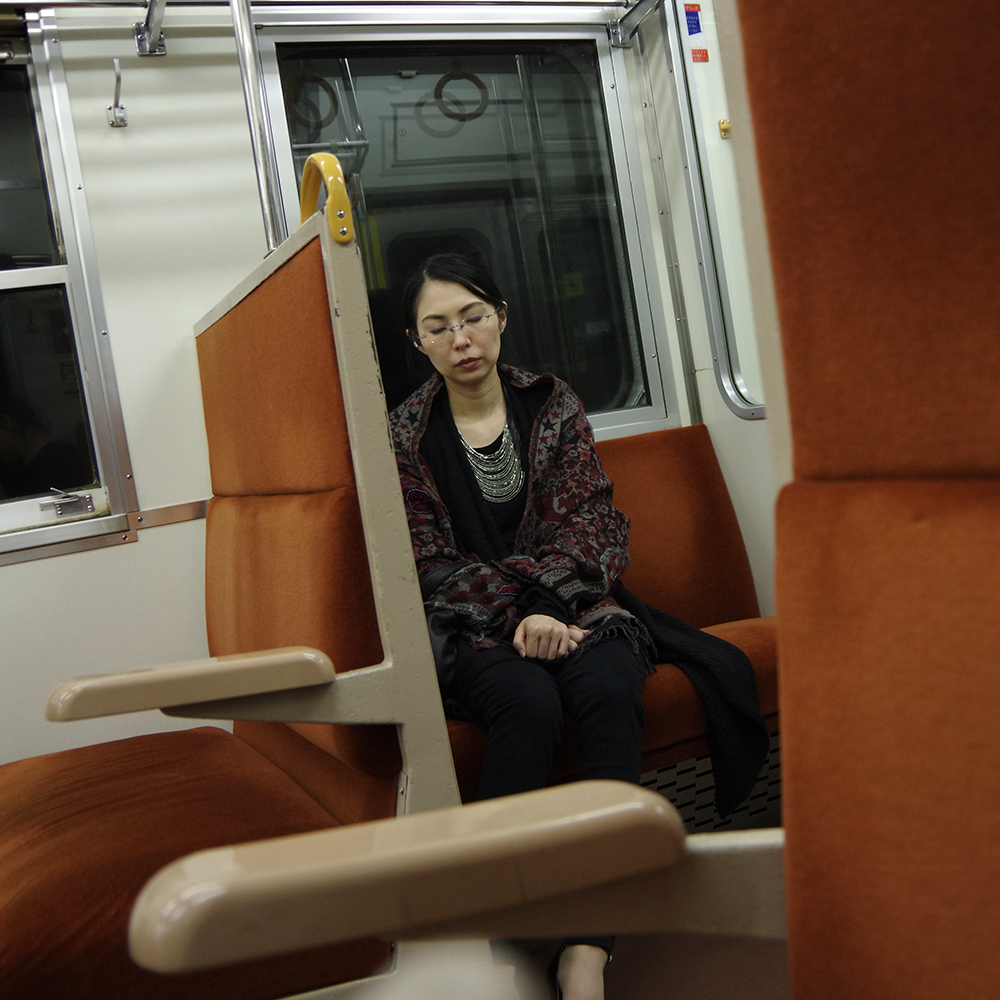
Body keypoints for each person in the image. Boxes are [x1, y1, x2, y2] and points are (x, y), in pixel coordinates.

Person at [389, 253, 768, 1000]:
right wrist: (522, 613)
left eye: (472, 317)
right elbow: (427, 562)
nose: (461, 339)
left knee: (608, 689)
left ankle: (589, 947)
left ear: (500, 317)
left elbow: (592, 523)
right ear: (417, 342)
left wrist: (551, 607)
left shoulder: (551, 403)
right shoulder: (405, 436)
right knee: (527, 705)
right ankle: (499, 948)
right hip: (474, 623)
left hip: (581, 603)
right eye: (438, 327)